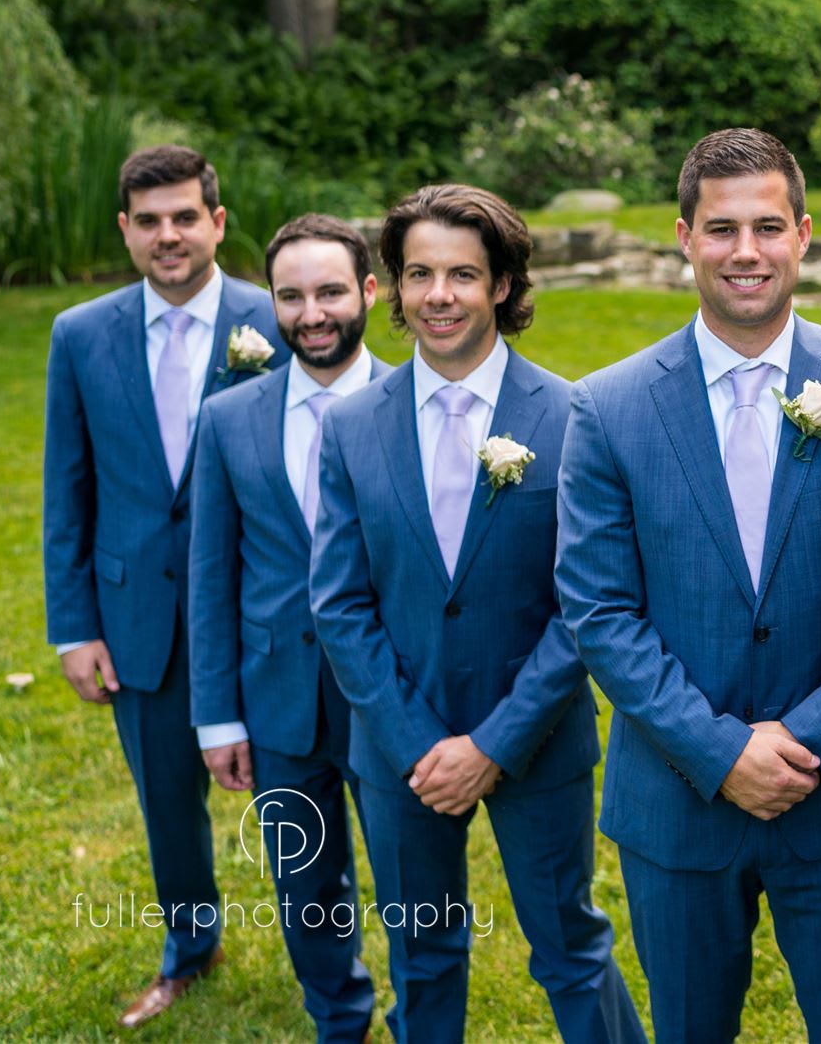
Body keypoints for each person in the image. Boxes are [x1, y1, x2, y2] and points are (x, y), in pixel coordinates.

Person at [556, 128, 821, 1043]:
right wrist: (720, 752)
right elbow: (600, 610)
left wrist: (810, 737)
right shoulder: (608, 406)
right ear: (685, 237)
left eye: (767, 226)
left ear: (804, 234)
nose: (745, 251)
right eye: (721, 229)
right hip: (677, 799)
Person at [308, 184, 642, 1044]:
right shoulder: (351, 426)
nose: (439, 295)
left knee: (569, 944)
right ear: (394, 285)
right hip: (402, 748)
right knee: (420, 953)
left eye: (462, 273)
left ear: (501, 283)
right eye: (419, 273)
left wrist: (495, 742)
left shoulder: (572, 416)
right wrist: (416, 741)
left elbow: (585, 601)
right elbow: (340, 602)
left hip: (536, 733)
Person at [43, 144, 286, 1027]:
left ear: (217, 222)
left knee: (292, 793)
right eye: (148, 221)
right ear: (125, 229)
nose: (168, 235)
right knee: (167, 804)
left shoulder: (277, 317)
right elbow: (67, 488)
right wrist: (74, 626)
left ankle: (326, 961)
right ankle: (190, 946)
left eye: (185, 216)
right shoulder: (80, 334)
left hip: (260, 611)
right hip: (136, 612)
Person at [188, 214, 388, 1043]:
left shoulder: (415, 405)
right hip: (276, 699)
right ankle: (339, 1017)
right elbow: (210, 576)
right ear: (269, 301)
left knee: (413, 879)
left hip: (390, 696)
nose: (312, 314)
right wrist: (217, 716)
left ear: (368, 290)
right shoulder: (229, 418)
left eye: (331, 291)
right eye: (291, 296)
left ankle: (424, 1014)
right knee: (306, 885)